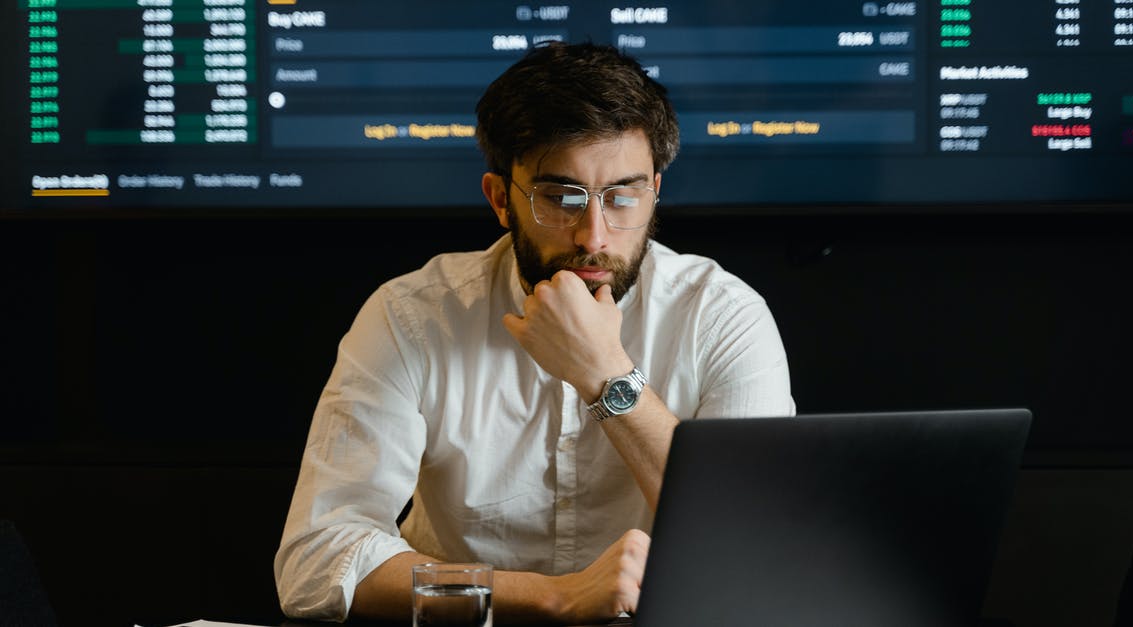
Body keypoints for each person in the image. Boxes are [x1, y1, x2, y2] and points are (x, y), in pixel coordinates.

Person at [274, 42, 795, 624]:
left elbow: (759, 544)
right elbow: (317, 561)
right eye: (560, 197)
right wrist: (555, 598)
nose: (594, 236)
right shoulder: (411, 314)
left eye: (623, 196)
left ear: (655, 190)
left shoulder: (724, 316)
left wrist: (607, 378)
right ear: (501, 199)